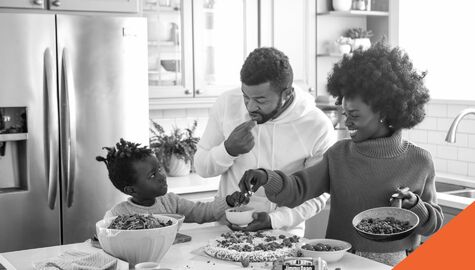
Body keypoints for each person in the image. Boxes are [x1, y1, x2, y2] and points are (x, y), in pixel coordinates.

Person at [237, 42, 444, 266]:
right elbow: (298, 188)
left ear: (384, 112)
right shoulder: (339, 155)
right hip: (340, 260)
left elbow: (434, 223)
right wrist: (267, 178)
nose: (347, 121)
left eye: (354, 114)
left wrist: (414, 204)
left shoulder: (419, 161)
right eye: (344, 113)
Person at [194, 47, 336, 236]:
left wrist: (274, 220)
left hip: (283, 234)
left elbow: (317, 194)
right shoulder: (227, 103)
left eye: (261, 100)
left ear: (286, 94)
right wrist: (228, 150)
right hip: (226, 230)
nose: (251, 106)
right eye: (246, 96)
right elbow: (201, 167)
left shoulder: (317, 126)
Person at [96, 138, 245, 222]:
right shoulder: (117, 215)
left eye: (159, 169)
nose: (162, 176)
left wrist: (229, 202)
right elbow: (104, 241)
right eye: (152, 175)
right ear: (131, 190)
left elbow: (202, 212)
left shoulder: (171, 202)